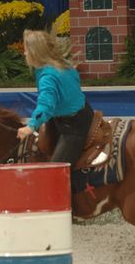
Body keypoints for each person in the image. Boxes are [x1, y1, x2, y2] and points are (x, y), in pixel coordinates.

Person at [17, 29, 93, 169]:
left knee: (56, 171)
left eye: (27, 50)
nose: (25, 53)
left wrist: (31, 126)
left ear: (35, 52)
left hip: (73, 126)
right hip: (80, 113)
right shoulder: (64, 66)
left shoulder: (48, 77)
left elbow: (46, 105)